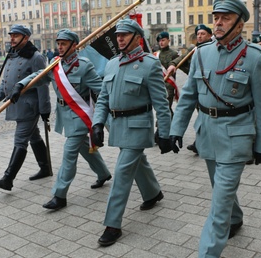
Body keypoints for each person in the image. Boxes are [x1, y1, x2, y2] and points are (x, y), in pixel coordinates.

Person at [169, 0, 261, 256]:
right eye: (216, 17)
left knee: (219, 204)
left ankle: (208, 252)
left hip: (236, 136)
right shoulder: (202, 53)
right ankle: (235, 217)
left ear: (239, 24)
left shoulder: (253, 56)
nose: (218, 22)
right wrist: (175, 130)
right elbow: (189, 96)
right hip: (207, 133)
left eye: (225, 18)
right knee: (220, 189)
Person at [91, 19, 173, 247]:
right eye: (118, 35)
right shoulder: (111, 64)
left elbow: (161, 102)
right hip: (118, 127)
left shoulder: (149, 64)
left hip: (138, 126)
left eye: (125, 35)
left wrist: (164, 133)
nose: (120, 39)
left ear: (137, 37)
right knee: (137, 163)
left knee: (122, 172)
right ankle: (153, 193)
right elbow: (103, 99)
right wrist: (98, 123)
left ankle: (112, 224)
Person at [17, 29, 112, 210]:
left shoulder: (84, 66)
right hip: (64, 114)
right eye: (58, 44)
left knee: (69, 154)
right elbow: (39, 76)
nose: (59, 47)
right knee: (84, 147)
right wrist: (21, 85)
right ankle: (103, 173)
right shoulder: (55, 64)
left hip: (80, 115)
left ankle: (59, 195)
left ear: (74, 45)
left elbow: (101, 89)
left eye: (64, 44)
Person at [0, 24, 52, 191]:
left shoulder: (35, 57)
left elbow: (42, 85)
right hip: (16, 105)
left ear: (26, 37)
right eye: (11, 35)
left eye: (16, 35)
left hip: (29, 107)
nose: (12, 38)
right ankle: (45, 168)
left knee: (20, 139)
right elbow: (6, 81)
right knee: (34, 136)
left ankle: (8, 178)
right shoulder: (12, 55)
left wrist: (44, 109)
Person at [167, 24, 214, 155]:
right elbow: (181, 59)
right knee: (202, 117)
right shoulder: (194, 50)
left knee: (207, 117)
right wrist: (173, 65)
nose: (199, 36)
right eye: (198, 34)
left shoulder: (215, 48)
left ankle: (202, 143)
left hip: (210, 90)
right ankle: (199, 143)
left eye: (203, 34)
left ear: (210, 35)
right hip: (197, 88)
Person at [155, 31, 179, 117]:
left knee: (166, 107)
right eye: (160, 41)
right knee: (162, 108)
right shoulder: (156, 54)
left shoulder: (174, 54)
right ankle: (169, 124)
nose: (161, 42)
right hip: (158, 86)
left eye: (163, 40)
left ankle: (161, 127)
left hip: (169, 85)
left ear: (168, 40)